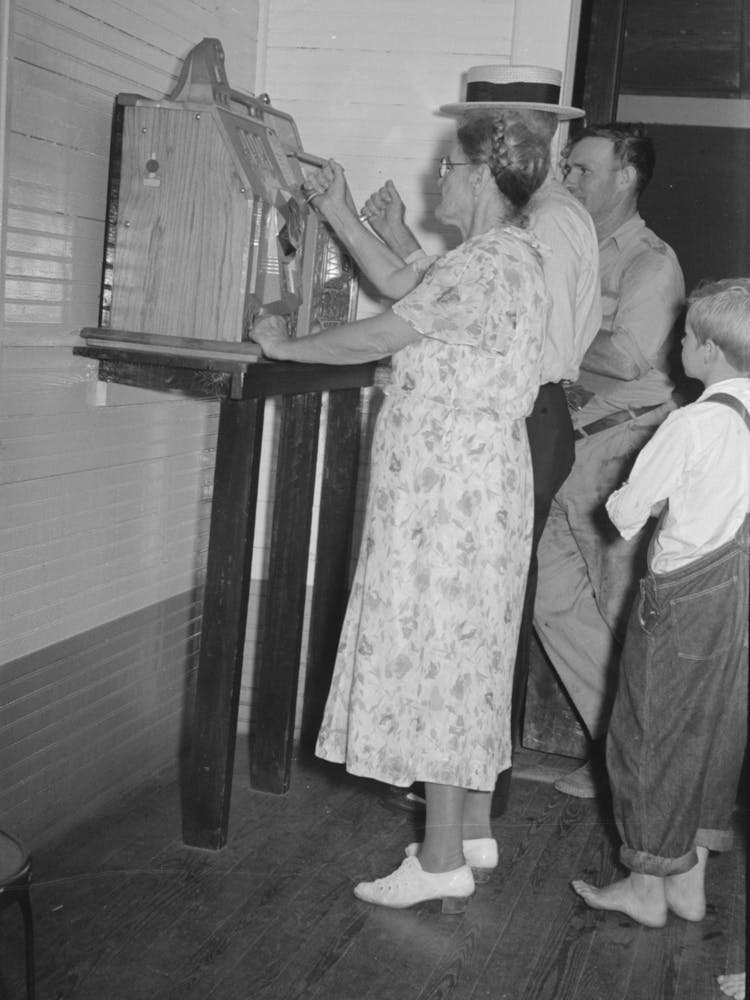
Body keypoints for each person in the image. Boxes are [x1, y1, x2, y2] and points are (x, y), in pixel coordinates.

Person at [252, 107, 552, 911]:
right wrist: (339, 206)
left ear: (485, 175)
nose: (438, 177)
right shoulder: (500, 257)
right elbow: (402, 284)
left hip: (452, 494)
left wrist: (283, 349)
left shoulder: (489, 265)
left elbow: (378, 331)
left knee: (442, 659)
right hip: (471, 486)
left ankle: (441, 856)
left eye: (452, 166)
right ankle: (476, 829)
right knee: (470, 654)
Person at [346, 65, 601, 817]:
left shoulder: (542, 224)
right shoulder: (534, 220)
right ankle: (468, 814)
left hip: (509, 417)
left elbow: (471, 317)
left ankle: (460, 811)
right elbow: (437, 291)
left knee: (468, 628)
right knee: (478, 625)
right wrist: (391, 236)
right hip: (513, 414)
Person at [571, 278, 750, 927]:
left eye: (685, 335)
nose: (677, 344)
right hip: (742, 603)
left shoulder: (695, 421)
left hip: (685, 601)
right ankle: (690, 882)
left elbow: (624, 513)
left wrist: (624, 498)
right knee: (713, 735)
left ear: (709, 350)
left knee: (647, 737)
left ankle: (647, 888)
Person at [533, 122, 685, 798]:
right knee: (549, 602)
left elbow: (628, 357)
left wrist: (556, 334)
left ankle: (658, 785)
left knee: (626, 614)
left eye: (582, 171)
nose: (567, 181)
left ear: (625, 177)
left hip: (624, 448)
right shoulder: (568, 247)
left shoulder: (652, 262)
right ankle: (617, 758)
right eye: (565, 169)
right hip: (570, 443)